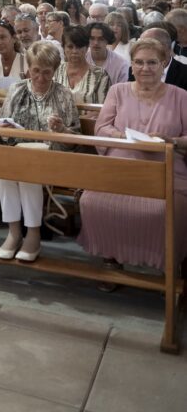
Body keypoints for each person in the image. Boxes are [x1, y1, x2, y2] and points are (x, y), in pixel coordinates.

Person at [78, 38, 187, 272]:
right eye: (138, 62)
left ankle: (168, 264)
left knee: (170, 209)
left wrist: (173, 141)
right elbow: (101, 128)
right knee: (91, 200)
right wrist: (124, 137)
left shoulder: (181, 96)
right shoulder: (118, 91)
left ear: (164, 63)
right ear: (132, 65)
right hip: (121, 163)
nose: (144, 68)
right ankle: (112, 255)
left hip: (166, 167)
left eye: (151, 62)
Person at [0, 41, 80, 262]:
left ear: (55, 71)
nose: (40, 78)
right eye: (35, 71)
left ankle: (33, 235)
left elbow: (74, 140)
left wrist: (61, 129)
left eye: (46, 72)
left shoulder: (63, 94)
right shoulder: (16, 89)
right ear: (28, 69)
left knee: (28, 171)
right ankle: (13, 233)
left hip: (51, 158)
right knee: (5, 171)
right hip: (18, 154)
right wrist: (4, 130)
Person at [55, 26, 110, 103]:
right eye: (70, 47)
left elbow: (105, 108)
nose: (74, 51)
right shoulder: (56, 71)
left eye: (79, 47)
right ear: (63, 48)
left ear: (87, 48)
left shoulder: (100, 75)